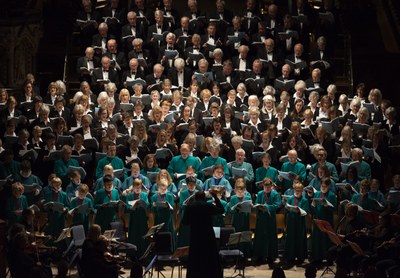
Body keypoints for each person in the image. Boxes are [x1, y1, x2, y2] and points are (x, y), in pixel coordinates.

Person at [182, 190, 225, 278]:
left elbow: (185, 222)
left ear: (195, 197)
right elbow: (221, 210)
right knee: (209, 255)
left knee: (195, 256)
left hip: (195, 236)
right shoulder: (208, 205)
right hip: (208, 235)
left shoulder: (190, 207)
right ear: (204, 198)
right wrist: (216, 198)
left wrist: (188, 206)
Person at [253, 178, 281, 264]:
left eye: (268, 187)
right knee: (260, 236)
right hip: (261, 218)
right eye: (265, 186)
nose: (267, 188)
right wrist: (259, 207)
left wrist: (267, 207)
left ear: (272, 186)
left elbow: (277, 204)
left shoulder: (275, 194)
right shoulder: (260, 193)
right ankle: (260, 255)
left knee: (271, 236)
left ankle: (271, 256)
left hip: (270, 218)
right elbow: (256, 203)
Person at [310, 178, 337, 265]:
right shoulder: (317, 193)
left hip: (327, 220)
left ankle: (329, 259)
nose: (323, 187)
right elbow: (313, 210)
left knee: (327, 240)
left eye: (325, 186)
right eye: (322, 186)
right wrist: (313, 205)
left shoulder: (332, 195)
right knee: (318, 239)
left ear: (329, 186)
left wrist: (327, 205)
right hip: (318, 219)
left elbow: (334, 209)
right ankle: (317, 258)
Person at [284, 183, 309, 265]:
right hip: (291, 222)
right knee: (291, 239)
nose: (297, 192)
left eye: (299, 191)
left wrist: (299, 210)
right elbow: (287, 208)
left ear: (302, 191)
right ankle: (291, 257)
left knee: (299, 239)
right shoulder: (291, 198)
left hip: (300, 222)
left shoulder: (304, 200)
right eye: (296, 190)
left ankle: (300, 257)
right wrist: (287, 208)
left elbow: (306, 211)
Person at [125, 178, 149, 258]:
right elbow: (127, 207)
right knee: (134, 236)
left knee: (142, 235)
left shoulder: (144, 195)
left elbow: (147, 204)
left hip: (142, 218)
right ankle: (133, 256)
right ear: (133, 186)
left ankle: (142, 255)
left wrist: (143, 204)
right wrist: (133, 206)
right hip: (133, 218)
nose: (138, 189)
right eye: (136, 187)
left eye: (139, 187)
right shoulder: (129, 195)